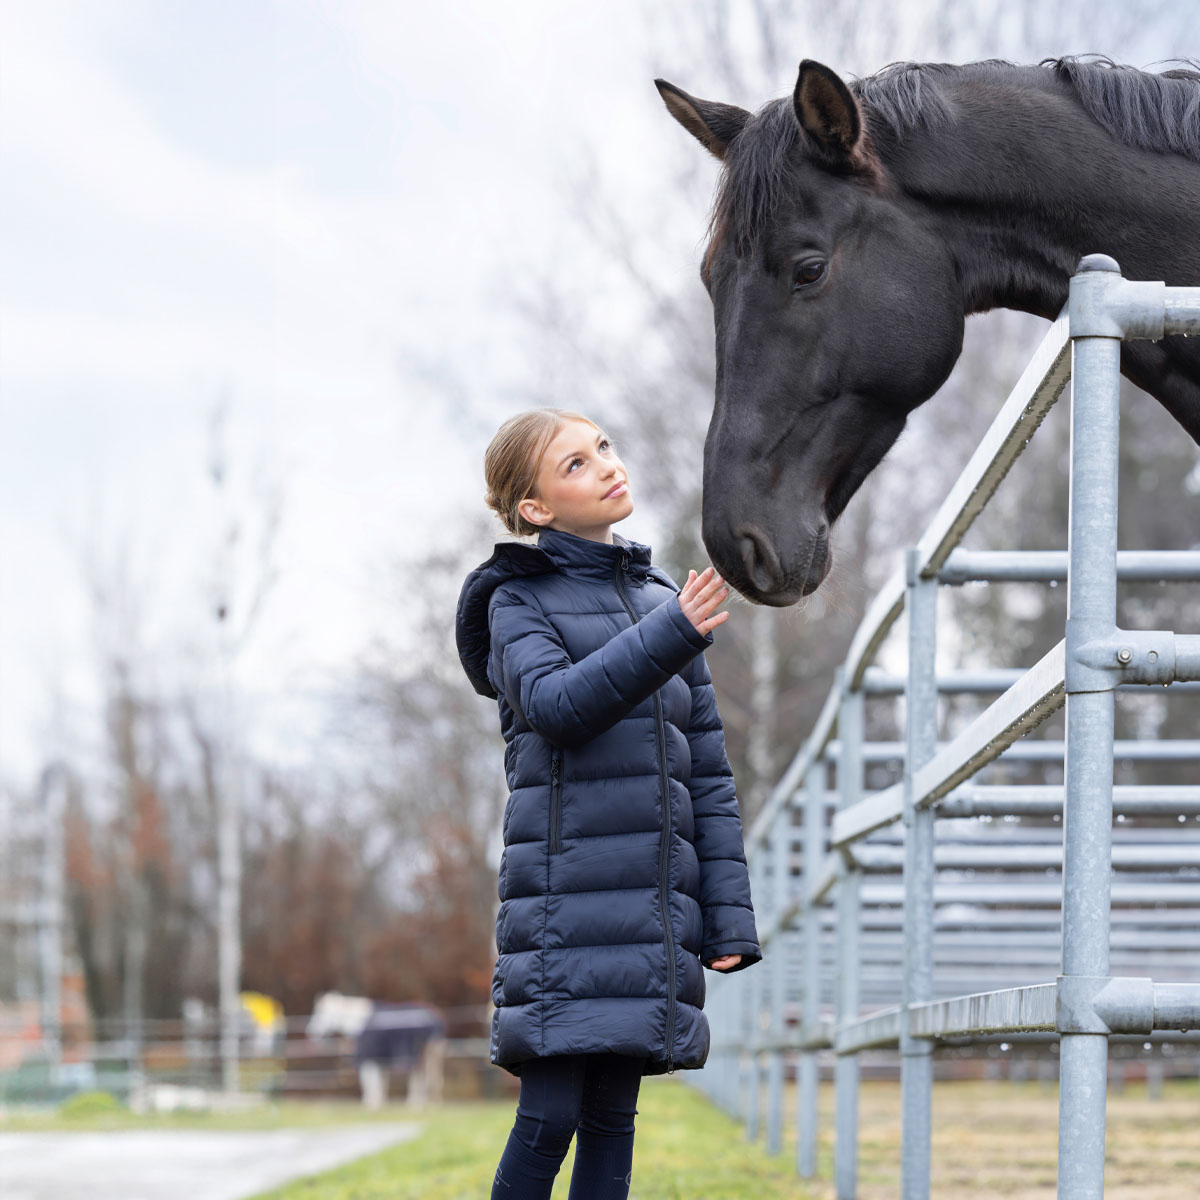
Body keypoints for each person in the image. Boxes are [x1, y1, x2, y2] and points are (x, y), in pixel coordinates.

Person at [455, 408, 761, 1200]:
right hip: (563, 910)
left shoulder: (663, 597)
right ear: (536, 510)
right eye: (578, 464)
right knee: (548, 1118)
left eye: (605, 449)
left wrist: (727, 919)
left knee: (613, 1121)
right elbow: (557, 706)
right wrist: (674, 633)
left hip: (650, 916)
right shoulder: (514, 603)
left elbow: (709, 776)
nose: (608, 466)